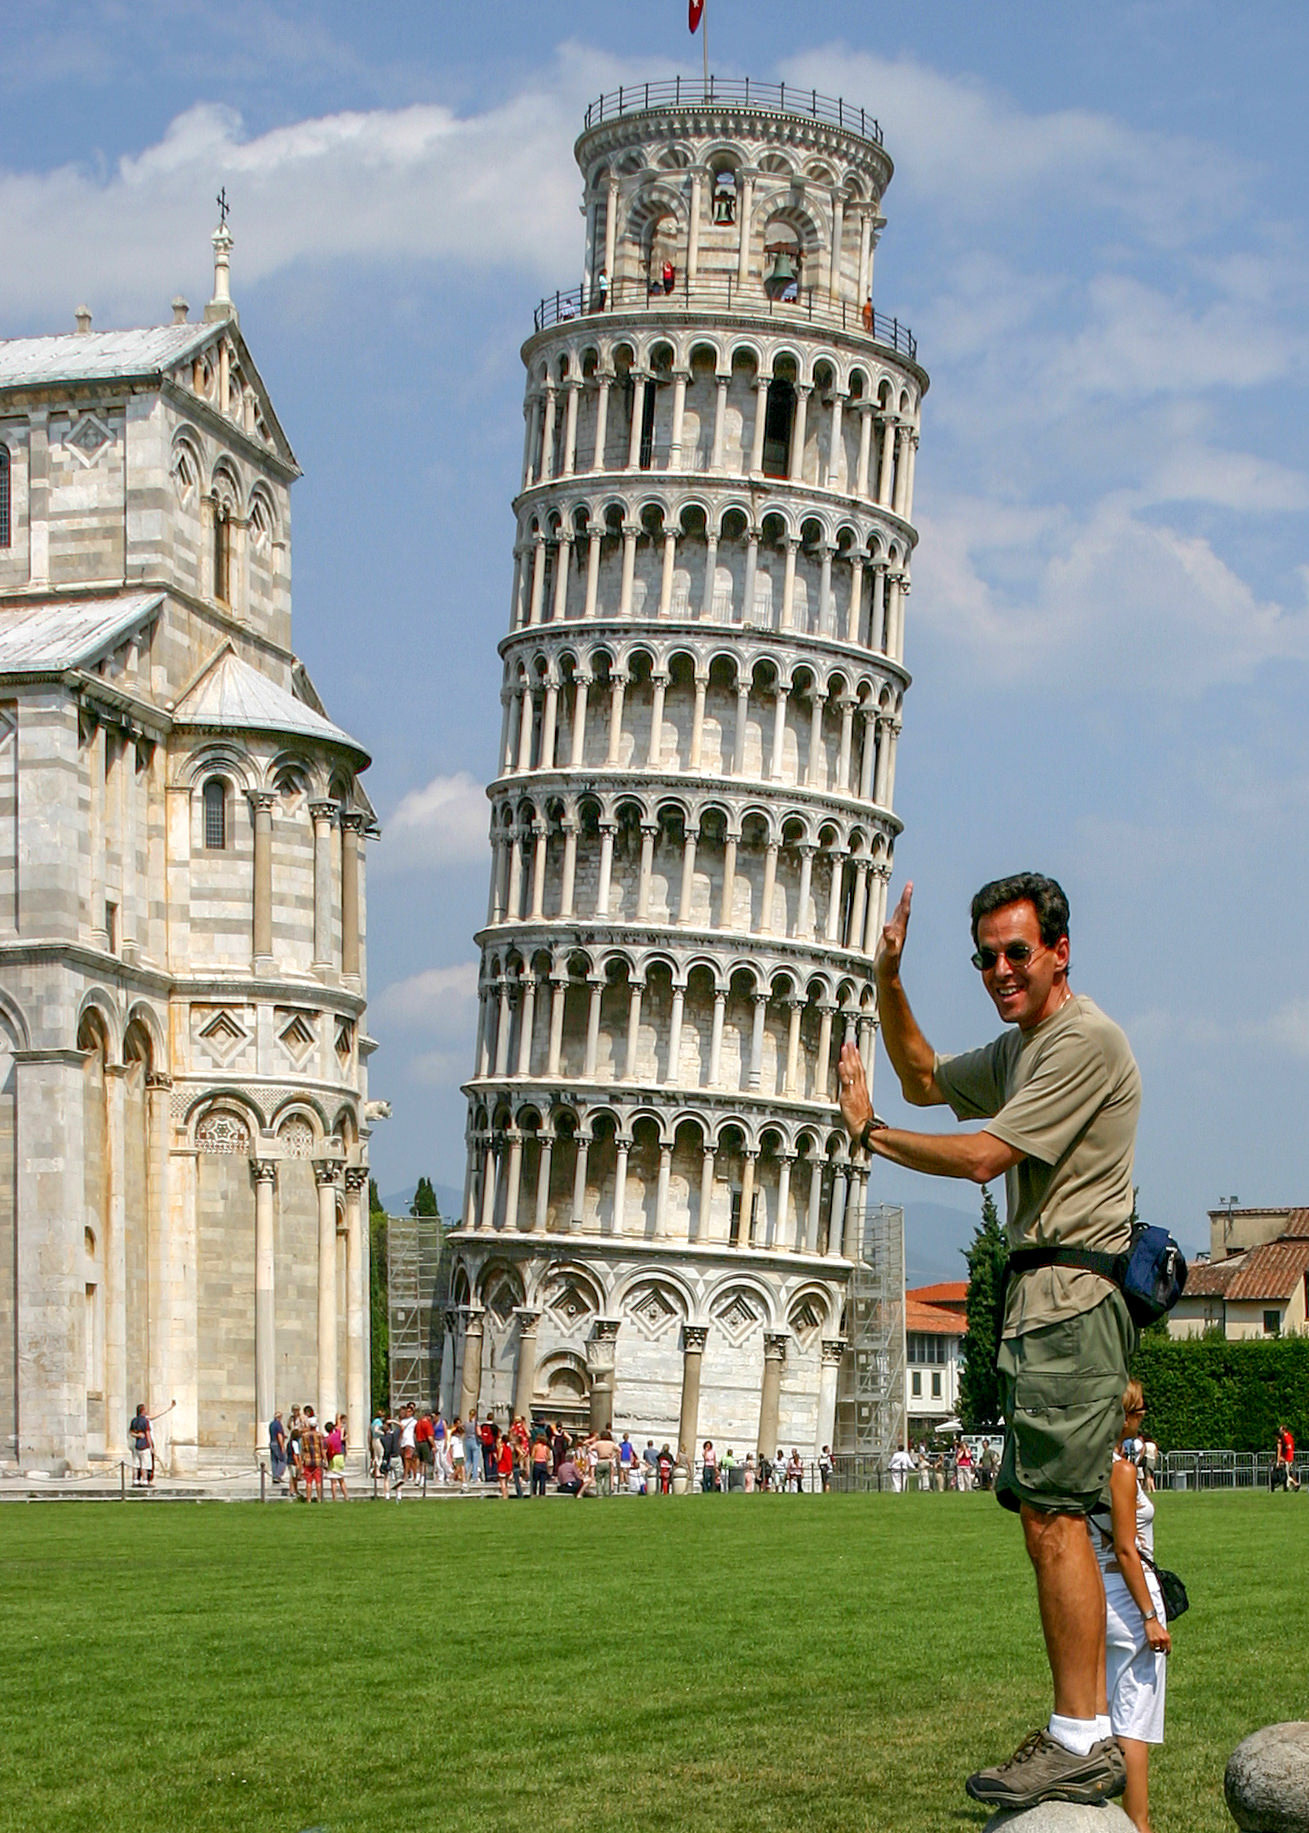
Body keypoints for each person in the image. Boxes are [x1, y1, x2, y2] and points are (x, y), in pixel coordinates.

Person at [838, 872, 1139, 1810]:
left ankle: (1079, 1736)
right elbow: (927, 1076)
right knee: (1046, 1519)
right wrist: (887, 979)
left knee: (1056, 1520)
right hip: (1040, 1301)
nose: (999, 969)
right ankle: (1076, 1728)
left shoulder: (1080, 1042)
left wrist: (870, 1133)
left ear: (1058, 949)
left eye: (1015, 952)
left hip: (1069, 1300)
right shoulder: (1024, 1047)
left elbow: (980, 1155)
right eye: (984, 956)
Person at [1093, 1383, 1171, 1833]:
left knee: (1102, 1715)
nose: (1143, 1419)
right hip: (1129, 1600)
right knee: (1134, 1725)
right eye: (1140, 1412)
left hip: (1096, 1598)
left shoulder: (1081, 1466)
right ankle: (1139, 1825)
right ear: (1123, 1417)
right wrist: (1150, 1617)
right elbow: (1126, 1549)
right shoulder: (1119, 1471)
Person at [299, 1407, 326, 1502]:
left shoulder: (304, 1436)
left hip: (308, 1460)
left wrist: (301, 1459)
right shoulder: (319, 1435)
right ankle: (319, 1498)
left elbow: (303, 1449)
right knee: (318, 1481)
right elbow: (322, 1448)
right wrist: (325, 1459)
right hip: (317, 1460)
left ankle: (309, 1499)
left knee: (309, 1481)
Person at [129, 1403, 154, 1487]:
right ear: (142, 1411)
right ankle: (145, 1480)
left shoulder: (134, 1420)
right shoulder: (145, 1421)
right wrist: (151, 1446)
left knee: (136, 1464)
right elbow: (148, 1434)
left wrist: (137, 1435)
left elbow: (131, 1432)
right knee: (145, 1464)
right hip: (144, 1445)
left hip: (136, 1445)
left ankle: (135, 1480)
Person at [268, 1411, 287, 1488]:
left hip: (272, 1442)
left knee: (274, 1461)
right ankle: (278, 1475)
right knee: (283, 1459)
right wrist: (282, 1446)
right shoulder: (278, 1424)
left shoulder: (271, 1424)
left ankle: (274, 1476)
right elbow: (279, 1435)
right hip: (277, 1444)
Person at [530, 1432, 552, 1497]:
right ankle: (542, 1494)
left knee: (535, 1480)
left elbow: (532, 1455)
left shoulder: (536, 1446)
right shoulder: (546, 1447)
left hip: (537, 1463)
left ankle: (533, 1493)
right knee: (542, 1481)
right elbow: (549, 1457)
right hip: (544, 1464)